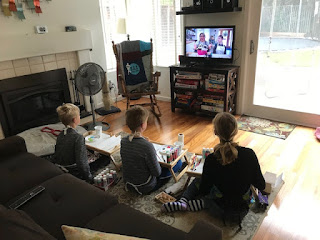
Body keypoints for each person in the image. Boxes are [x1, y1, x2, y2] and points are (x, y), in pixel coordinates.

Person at [162, 112, 265, 213]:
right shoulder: (249, 154)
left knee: (197, 180)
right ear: (236, 131)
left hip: (219, 205)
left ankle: (184, 201)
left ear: (215, 132)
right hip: (242, 206)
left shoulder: (212, 158)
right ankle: (200, 203)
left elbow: (204, 190)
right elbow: (261, 185)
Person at [121, 106, 181, 195]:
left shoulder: (124, 140)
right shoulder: (147, 146)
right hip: (145, 186)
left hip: (128, 182)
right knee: (178, 162)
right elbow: (157, 173)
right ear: (143, 125)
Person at [54, 103, 93, 183]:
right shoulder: (78, 137)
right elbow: (81, 162)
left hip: (60, 167)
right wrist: (89, 178)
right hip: (73, 171)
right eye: (79, 115)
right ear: (75, 120)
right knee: (103, 158)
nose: (80, 116)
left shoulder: (60, 135)